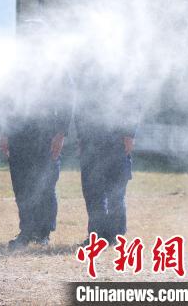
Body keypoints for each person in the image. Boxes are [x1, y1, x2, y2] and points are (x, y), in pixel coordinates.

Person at [0, 21, 74, 248]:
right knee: (21, 185)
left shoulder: (56, 68)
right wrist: (4, 132)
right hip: (19, 135)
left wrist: (61, 133)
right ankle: (26, 230)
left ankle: (43, 232)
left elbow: (66, 100)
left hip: (45, 136)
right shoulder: (15, 68)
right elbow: (4, 101)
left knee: (44, 184)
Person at [74, 62, 137, 245]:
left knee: (116, 191)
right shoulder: (87, 81)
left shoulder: (123, 77)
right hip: (90, 142)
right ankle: (96, 234)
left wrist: (129, 134)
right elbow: (80, 110)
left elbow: (132, 105)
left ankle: (115, 235)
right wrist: (80, 137)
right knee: (93, 192)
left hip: (115, 141)